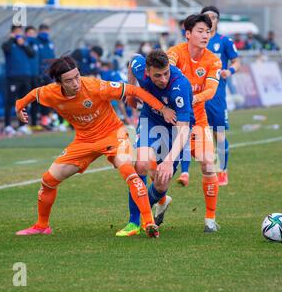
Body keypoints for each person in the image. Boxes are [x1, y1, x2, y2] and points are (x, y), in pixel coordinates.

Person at [14, 56, 177, 238]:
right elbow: (32, 95)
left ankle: (148, 223)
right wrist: (19, 107)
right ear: (58, 82)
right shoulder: (50, 93)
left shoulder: (95, 86)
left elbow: (133, 90)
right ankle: (41, 226)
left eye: (77, 76)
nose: (76, 83)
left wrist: (162, 109)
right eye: (69, 80)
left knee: (129, 171)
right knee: (48, 180)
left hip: (113, 134)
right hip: (84, 141)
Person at [115, 49, 194, 236]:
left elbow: (183, 129)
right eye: (157, 75)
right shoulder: (141, 68)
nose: (164, 79)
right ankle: (134, 222)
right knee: (140, 164)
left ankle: (156, 202)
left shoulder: (180, 85)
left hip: (176, 128)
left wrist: (167, 161)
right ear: (148, 73)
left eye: (166, 73)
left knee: (161, 184)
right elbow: (133, 60)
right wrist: (131, 91)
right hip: (150, 119)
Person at [166, 13, 222, 232]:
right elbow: (167, 68)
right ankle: (157, 207)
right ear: (187, 33)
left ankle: (210, 219)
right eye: (200, 31)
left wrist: (192, 99)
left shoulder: (213, 60)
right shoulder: (175, 53)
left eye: (207, 31)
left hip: (198, 121)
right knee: (157, 170)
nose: (205, 35)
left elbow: (211, 90)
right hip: (170, 122)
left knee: (209, 163)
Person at [195, 5, 241, 186]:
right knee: (194, 133)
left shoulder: (224, 41)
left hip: (216, 94)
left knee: (218, 134)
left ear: (217, 20)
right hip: (197, 93)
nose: (210, 20)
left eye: (213, 17)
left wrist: (229, 71)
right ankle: (198, 171)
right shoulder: (196, 42)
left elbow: (237, 62)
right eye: (206, 17)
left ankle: (222, 170)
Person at [1, 25, 36, 136]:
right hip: (13, 78)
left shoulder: (24, 44)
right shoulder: (8, 44)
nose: (18, 34)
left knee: (24, 102)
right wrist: (12, 39)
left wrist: (23, 44)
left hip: (25, 77)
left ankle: (22, 125)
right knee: (10, 102)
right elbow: (6, 49)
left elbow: (32, 54)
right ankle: (7, 125)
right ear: (12, 33)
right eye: (16, 32)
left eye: (20, 32)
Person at [25, 26, 40, 130]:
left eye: (33, 33)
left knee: (36, 99)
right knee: (25, 100)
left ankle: (34, 123)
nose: (32, 35)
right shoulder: (23, 45)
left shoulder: (36, 44)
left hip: (35, 75)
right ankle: (24, 125)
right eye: (30, 33)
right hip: (26, 76)